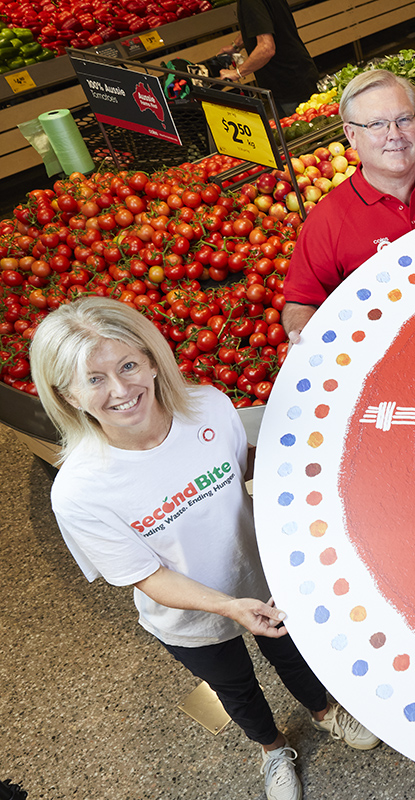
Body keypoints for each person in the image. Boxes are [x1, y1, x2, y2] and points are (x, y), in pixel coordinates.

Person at [30, 297, 380, 800]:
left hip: (264, 579)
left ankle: (324, 712)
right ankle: (273, 747)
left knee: (297, 658)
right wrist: (226, 607)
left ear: (153, 360)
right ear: (67, 395)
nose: (122, 390)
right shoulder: (80, 491)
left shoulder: (209, 407)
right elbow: (146, 576)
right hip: (188, 617)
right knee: (236, 689)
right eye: (95, 379)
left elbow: (243, 477)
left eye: (128, 365)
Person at [282, 70, 415, 338]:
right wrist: (300, 334)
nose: (394, 134)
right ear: (351, 135)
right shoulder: (328, 222)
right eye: (377, 124)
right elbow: (302, 301)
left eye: (404, 119)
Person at [216, 0, 319, 116]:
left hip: (287, 84)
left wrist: (237, 73)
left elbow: (266, 48)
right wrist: (235, 46)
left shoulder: (250, 2)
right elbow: (260, 25)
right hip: (298, 72)